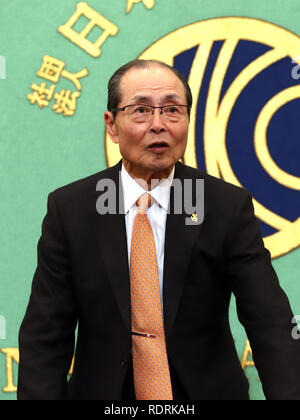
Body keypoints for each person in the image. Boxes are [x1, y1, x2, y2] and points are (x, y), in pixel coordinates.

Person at [18, 59, 300, 400]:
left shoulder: (224, 206)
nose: (158, 125)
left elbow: (269, 321)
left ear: (187, 120)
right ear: (111, 124)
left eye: (171, 110)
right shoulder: (72, 209)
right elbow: (45, 336)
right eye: (140, 111)